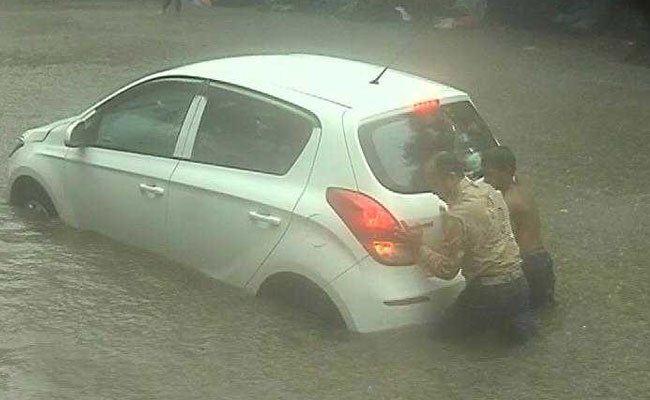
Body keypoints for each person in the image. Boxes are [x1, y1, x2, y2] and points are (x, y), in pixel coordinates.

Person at [399, 152, 535, 342]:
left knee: (439, 339)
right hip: (520, 287)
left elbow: (448, 270)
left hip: (489, 294)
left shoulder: (458, 216)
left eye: (433, 180)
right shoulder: (490, 191)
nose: (431, 188)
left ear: (451, 177)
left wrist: (418, 247)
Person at [481, 146, 555, 308]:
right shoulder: (523, 186)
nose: (486, 180)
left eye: (490, 175)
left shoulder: (509, 202)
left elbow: (502, 242)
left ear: (506, 171)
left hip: (528, 267)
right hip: (543, 262)